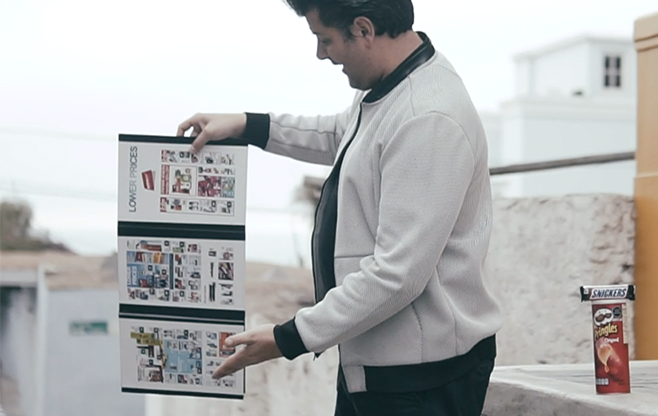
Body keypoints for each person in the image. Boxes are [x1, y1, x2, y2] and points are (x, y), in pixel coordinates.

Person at [177, 1, 503, 415]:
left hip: (420, 379)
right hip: (379, 363)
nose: (321, 54)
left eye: (324, 39)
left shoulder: (428, 117)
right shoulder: (392, 84)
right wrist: (247, 124)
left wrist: (287, 338)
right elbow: (340, 133)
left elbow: (397, 275)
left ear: (363, 29)